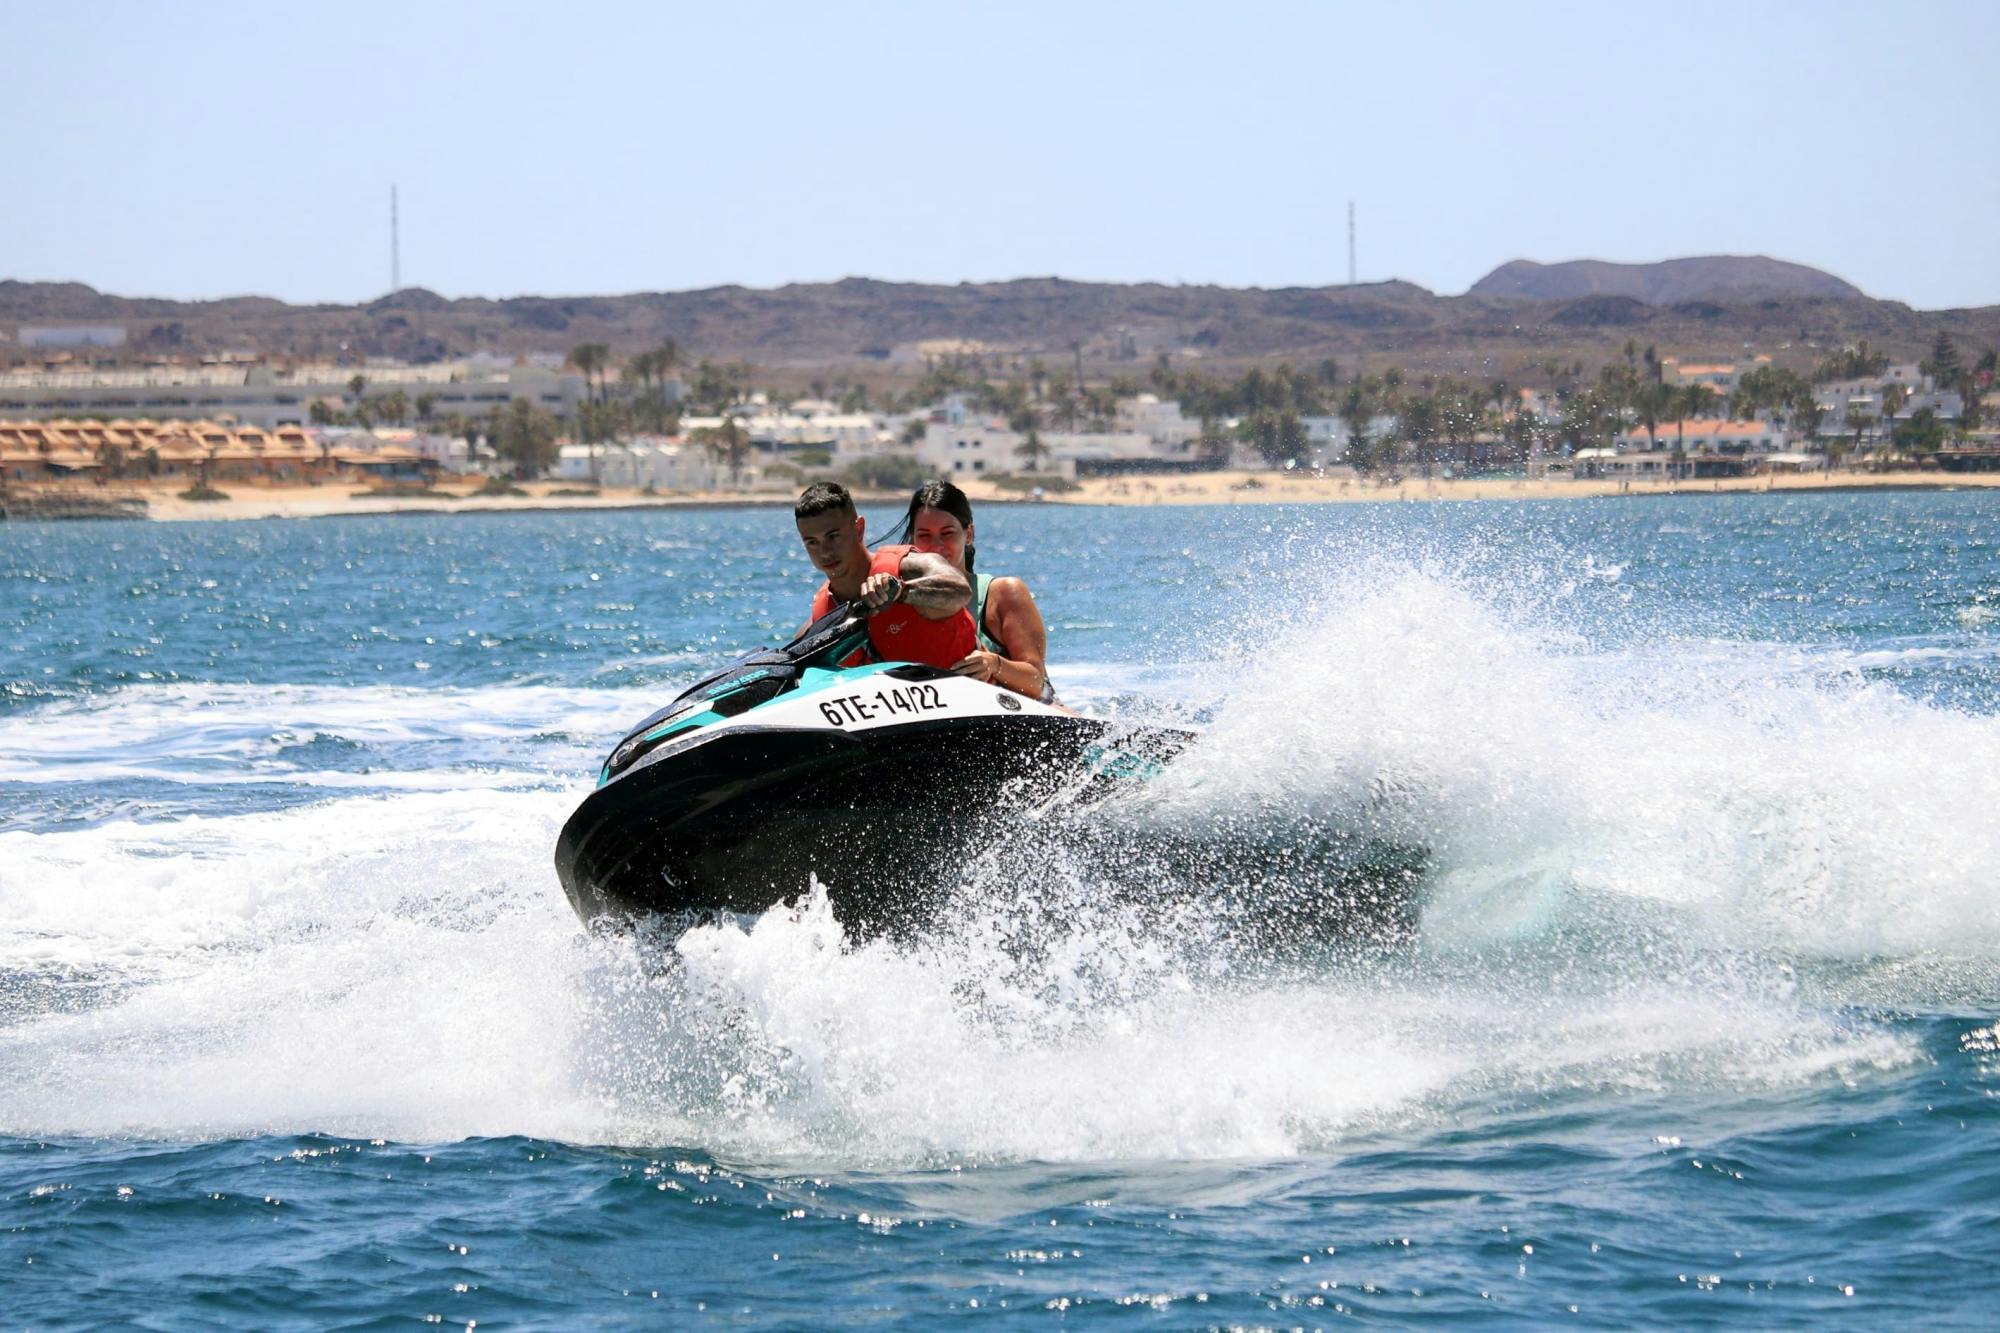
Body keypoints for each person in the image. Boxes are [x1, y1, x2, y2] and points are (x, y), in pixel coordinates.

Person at [898, 479, 1057, 704]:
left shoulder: (1003, 593)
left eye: (947, 533)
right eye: (924, 535)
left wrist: (993, 664)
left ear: (969, 534)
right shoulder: (898, 600)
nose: (936, 546)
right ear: (912, 539)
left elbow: (1037, 682)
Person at [793, 481, 976, 668]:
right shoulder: (821, 621)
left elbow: (961, 590)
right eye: (812, 542)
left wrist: (899, 592)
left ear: (859, 529)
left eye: (833, 536)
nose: (825, 552)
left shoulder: (908, 567)